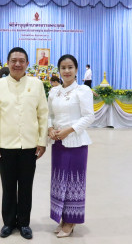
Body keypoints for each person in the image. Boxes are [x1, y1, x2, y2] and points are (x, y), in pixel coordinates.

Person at [0, 47, 48, 240]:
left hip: (29, 145)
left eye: (21, 60)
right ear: (8, 63)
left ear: (27, 64)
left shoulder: (37, 84)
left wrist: (42, 141)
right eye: (13, 60)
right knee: (7, 187)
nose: (17, 64)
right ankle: (8, 222)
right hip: (5, 145)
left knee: (26, 186)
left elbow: (43, 114)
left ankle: (24, 223)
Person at [48, 55, 95, 238]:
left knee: (74, 182)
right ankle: (62, 217)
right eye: (63, 68)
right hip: (58, 143)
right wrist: (50, 128)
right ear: (59, 70)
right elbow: (49, 114)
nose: (66, 71)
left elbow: (89, 116)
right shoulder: (54, 91)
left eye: (70, 67)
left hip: (77, 143)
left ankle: (71, 220)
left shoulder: (82, 91)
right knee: (59, 181)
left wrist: (69, 130)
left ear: (76, 70)